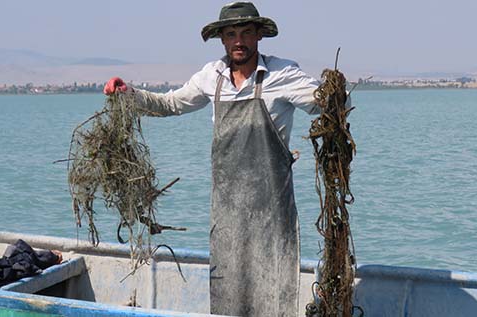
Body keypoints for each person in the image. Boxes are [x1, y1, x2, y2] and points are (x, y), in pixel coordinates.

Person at [104, 2, 349, 315]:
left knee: (275, 286)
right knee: (227, 288)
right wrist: (129, 94)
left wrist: (336, 98)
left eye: (246, 32)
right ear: (221, 39)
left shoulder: (282, 74)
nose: (239, 40)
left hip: (272, 208)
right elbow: (170, 104)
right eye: (231, 33)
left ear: (260, 35)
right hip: (226, 208)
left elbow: (329, 105)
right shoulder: (212, 76)